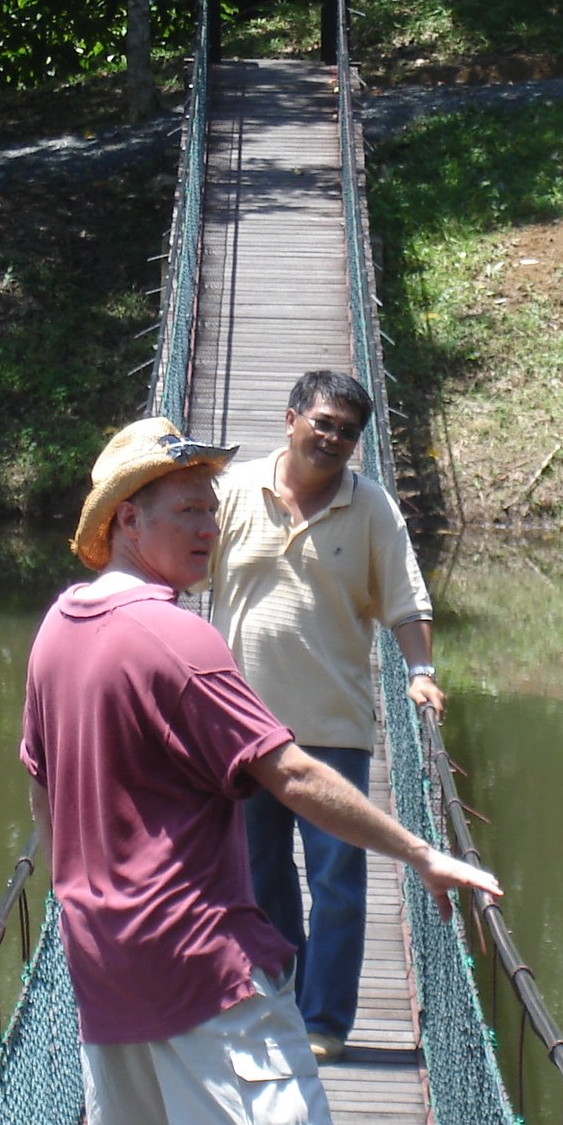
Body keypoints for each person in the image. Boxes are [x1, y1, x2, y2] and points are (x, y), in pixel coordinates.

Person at [20, 416, 498, 1125]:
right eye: (188, 512)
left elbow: (40, 782)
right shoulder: (180, 642)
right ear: (127, 520)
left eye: (212, 509)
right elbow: (292, 772)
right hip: (198, 950)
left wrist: (76, 893)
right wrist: (422, 851)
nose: (210, 528)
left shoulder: (56, 630)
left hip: (100, 947)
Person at [207, 370, 443, 1064]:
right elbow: (175, 568)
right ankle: (281, 1002)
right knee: (258, 876)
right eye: (324, 423)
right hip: (242, 730)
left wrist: (421, 674)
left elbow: (406, 599)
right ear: (290, 419)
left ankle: (326, 1021)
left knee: (338, 881)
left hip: (334, 727)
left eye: (347, 431)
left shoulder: (370, 509)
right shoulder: (230, 493)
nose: (334, 438)